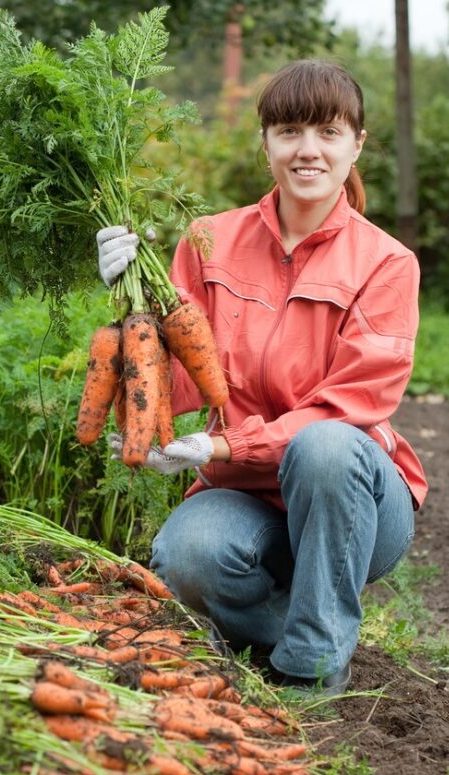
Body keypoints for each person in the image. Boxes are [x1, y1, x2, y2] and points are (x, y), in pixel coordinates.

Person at [96, 59, 427, 696]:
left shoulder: (388, 263)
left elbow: (349, 408)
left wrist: (220, 445)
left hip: (355, 502)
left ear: (356, 144)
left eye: (329, 133)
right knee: (188, 557)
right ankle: (303, 623)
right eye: (290, 131)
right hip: (247, 495)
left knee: (323, 446)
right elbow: (176, 384)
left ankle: (313, 669)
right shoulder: (206, 239)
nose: (309, 151)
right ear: (266, 141)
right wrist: (126, 305)